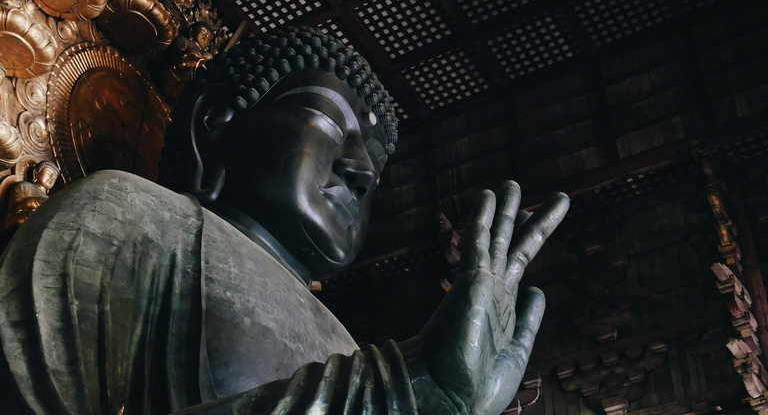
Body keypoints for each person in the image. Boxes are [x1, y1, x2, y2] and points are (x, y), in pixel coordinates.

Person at [0, 27, 568, 414]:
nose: (363, 172)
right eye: (331, 123)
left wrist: (442, 399)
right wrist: (405, 390)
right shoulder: (128, 218)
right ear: (214, 123)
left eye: (375, 157)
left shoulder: (350, 346)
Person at [3, 161, 59, 230]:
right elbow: (15, 207)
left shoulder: (51, 199)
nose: (51, 177)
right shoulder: (24, 186)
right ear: (36, 174)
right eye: (49, 173)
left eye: (54, 177)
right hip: (19, 220)